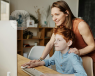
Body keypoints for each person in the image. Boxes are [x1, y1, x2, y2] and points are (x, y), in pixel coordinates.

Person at [22, 0, 95, 73]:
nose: (54, 18)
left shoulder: (81, 25)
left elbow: (92, 45)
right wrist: (40, 60)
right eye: (52, 15)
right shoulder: (59, 25)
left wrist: (79, 52)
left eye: (57, 14)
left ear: (66, 13)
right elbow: (50, 43)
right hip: (73, 58)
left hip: (88, 58)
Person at [23, 27, 87, 76]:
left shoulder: (72, 56)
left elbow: (82, 74)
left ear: (69, 43)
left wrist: (57, 75)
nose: (55, 42)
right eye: (55, 40)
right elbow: (50, 61)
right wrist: (37, 63)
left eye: (59, 40)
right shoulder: (57, 52)